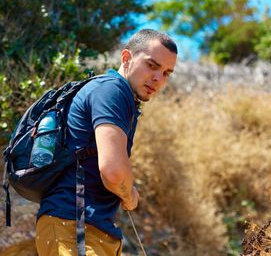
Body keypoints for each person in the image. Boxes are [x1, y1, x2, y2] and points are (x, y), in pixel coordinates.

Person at [35, 29, 178, 256]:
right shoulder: (112, 90)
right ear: (126, 58)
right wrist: (130, 196)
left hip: (87, 229)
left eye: (166, 73)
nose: (158, 79)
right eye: (152, 66)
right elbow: (112, 171)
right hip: (74, 226)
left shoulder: (120, 96)